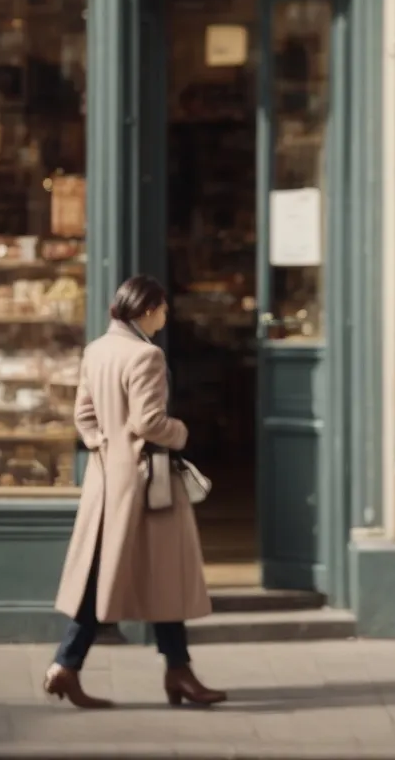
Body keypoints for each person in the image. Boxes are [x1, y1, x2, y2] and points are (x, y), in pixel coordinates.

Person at [45, 276, 226, 709]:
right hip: (147, 484)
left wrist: (103, 444)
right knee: (161, 571)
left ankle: (80, 667)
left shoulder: (97, 350)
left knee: (112, 575)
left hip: (108, 479)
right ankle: (167, 672)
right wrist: (181, 432)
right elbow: (149, 421)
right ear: (146, 311)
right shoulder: (146, 355)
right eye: (162, 309)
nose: (165, 317)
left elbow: (83, 416)